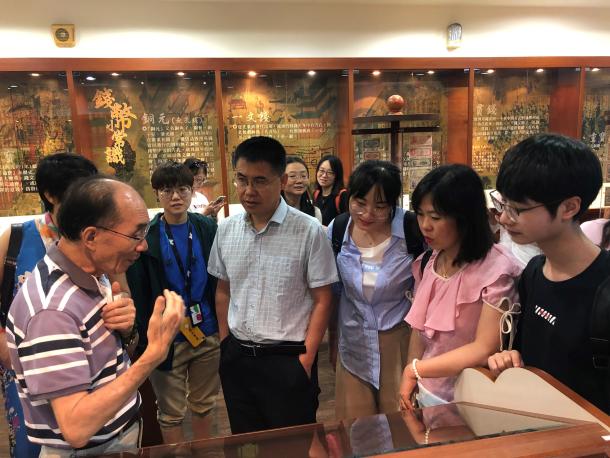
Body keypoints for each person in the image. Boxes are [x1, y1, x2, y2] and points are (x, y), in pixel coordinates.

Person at [6, 176, 184, 455]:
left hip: (115, 440)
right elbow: (76, 427)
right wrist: (153, 354)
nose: (143, 245)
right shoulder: (51, 312)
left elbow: (100, 362)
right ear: (91, 237)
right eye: (135, 235)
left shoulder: (92, 276)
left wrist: (125, 330)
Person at [207, 136, 339, 434]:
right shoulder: (226, 230)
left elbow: (323, 299)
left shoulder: (309, 231)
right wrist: (226, 345)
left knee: (293, 444)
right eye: (242, 179)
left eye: (260, 181)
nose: (248, 190)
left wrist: (305, 360)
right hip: (238, 357)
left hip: (288, 359)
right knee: (246, 443)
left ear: (281, 181)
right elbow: (223, 290)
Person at [487, 133, 610, 414]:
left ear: (569, 207)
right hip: (538, 428)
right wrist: (509, 358)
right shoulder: (534, 273)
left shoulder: (604, 288)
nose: (504, 218)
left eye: (518, 209)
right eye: (503, 204)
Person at [399, 164, 521, 410]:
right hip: (427, 392)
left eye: (435, 217)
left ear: (465, 217)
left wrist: (415, 370)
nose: (425, 225)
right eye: (420, 214)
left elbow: (484, 348)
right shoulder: (429, 261)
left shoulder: (496, 269)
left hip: (470, 400)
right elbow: (420, 331)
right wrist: (412, 375)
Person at [0, 152, 98, 457]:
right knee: (33, 443)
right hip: (25, 367)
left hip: (86, 364)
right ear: (50, 195)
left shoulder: (95, 237)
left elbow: (120, 292)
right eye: (76, 191)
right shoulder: (15, 238)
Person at [126, 162, 220, 445]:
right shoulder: (148, 237)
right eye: (167, 190)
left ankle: (202, 452)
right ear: (157, 194)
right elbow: (139, 291)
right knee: (170, 413)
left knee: (204, 405)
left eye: (182, 189)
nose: (176, 196)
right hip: (167, 338)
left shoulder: (206, 228)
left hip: (207, 331)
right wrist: (144, 339)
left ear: (192, 191)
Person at [329, 160, 414, 420]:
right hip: (353, 341)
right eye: (360, 202)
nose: (367, 214)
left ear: (392, 204)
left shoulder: (411, 230)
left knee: (401, 423)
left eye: (380, 206)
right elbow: (334, 291)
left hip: (398, 341)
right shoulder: (338, 229)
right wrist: (332, 341)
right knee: (356, 427)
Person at [281, 155, 322, 223]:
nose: (299, 181)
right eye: (292, 176)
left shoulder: (315, 213)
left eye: (303, 176)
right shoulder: (271, 212)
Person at [313, 155, 348, 226]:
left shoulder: (343, 195)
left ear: (337, 175)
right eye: (321, 171)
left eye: (330, 172)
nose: (324, 175)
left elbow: (346, 224)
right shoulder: (316, 194)